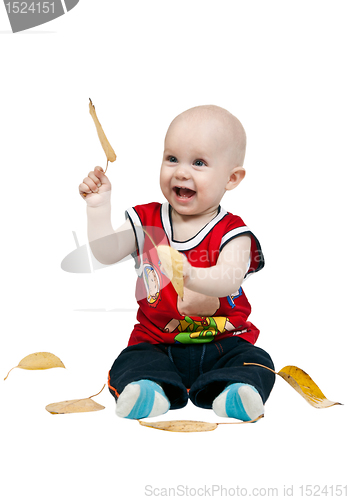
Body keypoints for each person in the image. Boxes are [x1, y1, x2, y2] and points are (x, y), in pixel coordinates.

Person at [79, 105, 275, 421]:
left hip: (224, 343)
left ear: (232, 177)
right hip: (156, 342)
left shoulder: (234, 232)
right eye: (172, 159)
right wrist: (98, 208)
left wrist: (191, 274)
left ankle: (235, 392)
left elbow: (228, 279)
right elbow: (105, 252)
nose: (181, 172)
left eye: (199, 163)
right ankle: (150, 390)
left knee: (256, 361)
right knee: (131, 360)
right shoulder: (146, 221)